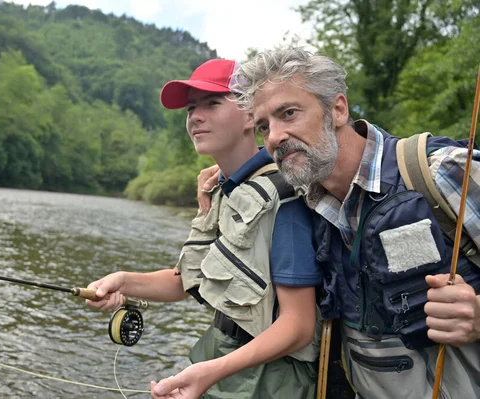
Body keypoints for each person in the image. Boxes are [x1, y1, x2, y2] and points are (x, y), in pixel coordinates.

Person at [197, 47, 480, 398]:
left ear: (338, 109)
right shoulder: (306, 198)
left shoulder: (442, 172)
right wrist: (221, 179)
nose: (274, 137)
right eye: (263, 126)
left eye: (289, 113)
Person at [85, 58, 323, 399]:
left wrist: (210, 373)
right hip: (227, 358)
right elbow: (186, 281)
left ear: (249, 115)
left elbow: (298, 327)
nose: (195, 117)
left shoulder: (282, 197)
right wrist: (122, 280)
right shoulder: (222, 190)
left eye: (212, 104)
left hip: (272, 379)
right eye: (191, 108)